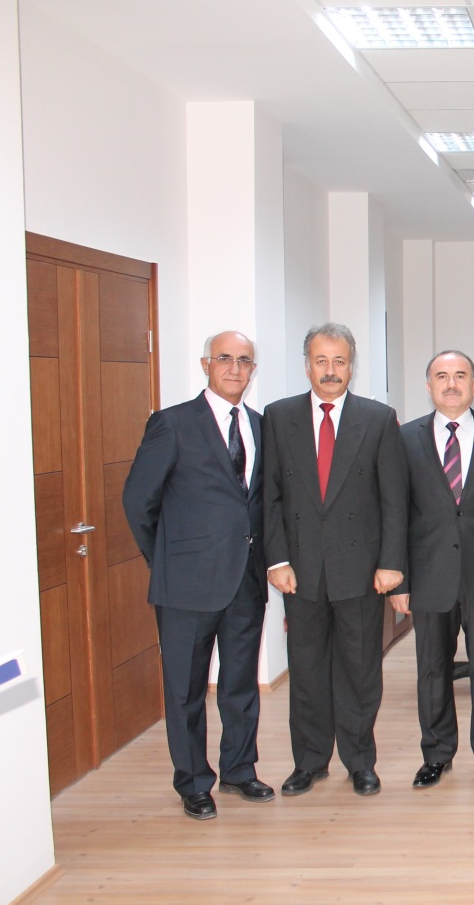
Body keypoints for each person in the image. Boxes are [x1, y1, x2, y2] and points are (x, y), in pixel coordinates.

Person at [122, 331, 269, 820]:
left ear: (253, 370)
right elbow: (138, 500)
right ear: (206, 364)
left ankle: (239, 770)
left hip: (245, 580)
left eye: (244, 361)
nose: (234, 368)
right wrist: (165, 559)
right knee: (185, 690)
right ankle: (192, 782)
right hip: (185, 585)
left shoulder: (260, 426)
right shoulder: (172, 423)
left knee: (240, 685)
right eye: (224, 358)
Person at [262, 322, 408, 798]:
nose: (330, 370)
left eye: (339, 361)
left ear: (351, 366)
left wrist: (391, 562)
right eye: (321, 361)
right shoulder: (279, 417)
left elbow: (394, 499)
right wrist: (276, 560)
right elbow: (270, 497)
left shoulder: (378, 419)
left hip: (361, 570)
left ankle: (360, 761)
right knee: (305, 670)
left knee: (360, 670)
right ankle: (309, 762)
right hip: (299, 570)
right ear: (307, 365)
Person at [391, 351, 474, 789]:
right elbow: (398, 513)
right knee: (431, 669)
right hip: (429, 574)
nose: (451, 383)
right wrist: (400, 578)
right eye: (442, 376)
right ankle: (436, 754)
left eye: (460, 375)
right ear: (428, 386)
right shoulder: (405, 438)